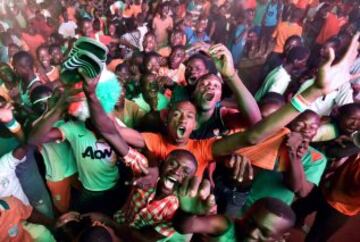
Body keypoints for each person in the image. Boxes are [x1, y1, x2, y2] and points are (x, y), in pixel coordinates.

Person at [172, 176, 296, 242]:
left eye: (264, 233)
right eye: (250, 222)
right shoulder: (225, 226)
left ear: (282, 238)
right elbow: (186, 227)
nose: (252, 233)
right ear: (246, 214)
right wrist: (187, 212)